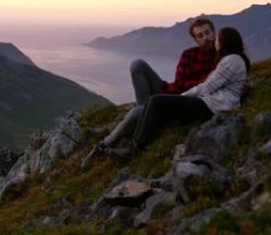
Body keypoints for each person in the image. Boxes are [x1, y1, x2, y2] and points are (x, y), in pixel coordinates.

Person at [80, 18, 217, 168]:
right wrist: (200, 82)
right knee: (137, 65)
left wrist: (199, 84)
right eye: (200, 36)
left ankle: (102, 146)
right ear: (196, 39)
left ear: (213, 32)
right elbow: (180, 84)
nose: (206, 38)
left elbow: (210, 85)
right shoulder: (189, 54)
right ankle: (144, 112)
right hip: (168, 92)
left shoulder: (221, 58)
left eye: (207, 33)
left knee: (138, 111)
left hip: (178, 102)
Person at [106, 26, 250, 160]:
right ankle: (136, 134)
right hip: (211, 103)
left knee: (156, 101)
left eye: (217, 38)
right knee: (154, 100)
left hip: (212, 106)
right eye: (201, 35)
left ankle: (135, 148)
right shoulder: (230, 60)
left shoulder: (231, 60)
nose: (215, 41)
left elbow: (207, 87)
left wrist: (182, 97)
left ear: (225, 42)